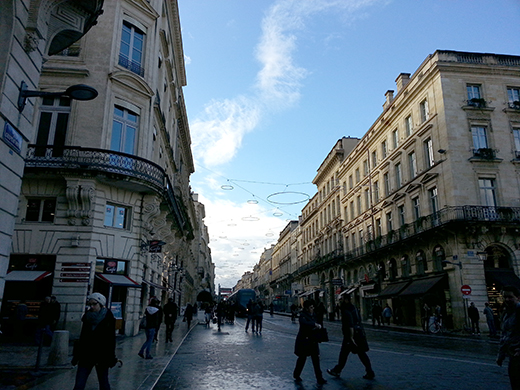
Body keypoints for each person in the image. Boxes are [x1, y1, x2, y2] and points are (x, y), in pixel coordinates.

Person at [72, 293, 117, 390]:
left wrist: (111, 357)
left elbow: (111, 340)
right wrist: (76, 356)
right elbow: (82, 338)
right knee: (79, 385)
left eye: (94, 304)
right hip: (86, 355)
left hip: (102, 355)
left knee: (104, 383)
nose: (91, 306)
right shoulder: (87, 317)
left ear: (101, 304)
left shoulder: (108, 318)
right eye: (90, 304)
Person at [327, 293, 375, 380]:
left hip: (351, 336)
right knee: (361, 354)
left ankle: (337, 370)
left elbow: (350, 324)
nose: (340, 301)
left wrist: (351, 337)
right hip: (358, 333)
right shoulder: (354, 308)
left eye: (341, 299)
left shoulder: (346, 310)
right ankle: (369, 371)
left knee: (344, 354)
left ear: (346, 300)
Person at [293, 299, 327, 385]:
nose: (313, 308)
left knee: (316, 360)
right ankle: (296, 375)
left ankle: (319, 378)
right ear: (307, 308)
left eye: (313, 307)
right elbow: (304, 323)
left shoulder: (314, 315)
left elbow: (317, 322)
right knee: (302, 359)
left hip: (313, 340)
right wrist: (314, 325)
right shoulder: (302, 315)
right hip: (304, 341)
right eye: (311, 307)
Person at [496, 285, 520, 389]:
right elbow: (504, 335)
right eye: (505, 297)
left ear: (517, 297)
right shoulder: (506, 312)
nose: (507, 299)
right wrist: (500, 355)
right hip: (512, 354)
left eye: (510, 297)